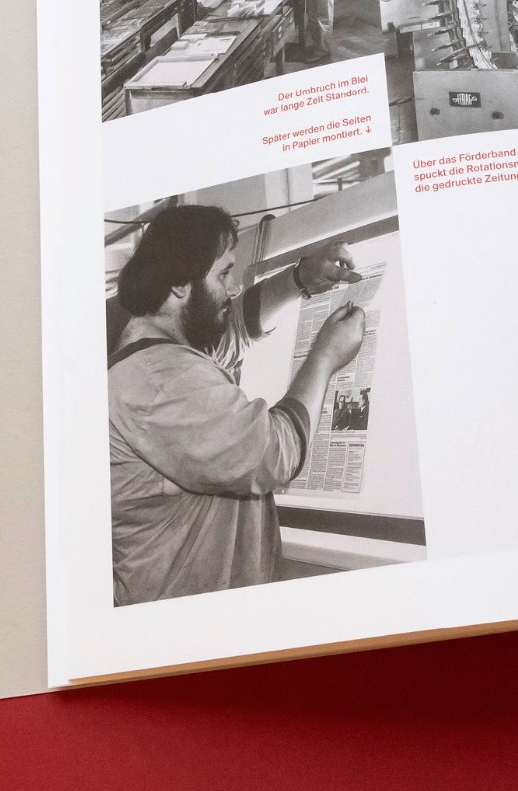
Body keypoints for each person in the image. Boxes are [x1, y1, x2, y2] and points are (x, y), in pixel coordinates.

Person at [106, 204, 366, 605]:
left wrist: (301, 279)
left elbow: (236, 327)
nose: (231, 289)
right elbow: (274, 452)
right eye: (223, 274)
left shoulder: (154, 352)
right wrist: (325, 357)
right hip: (186, 620)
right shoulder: (164, 380)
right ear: (180, 285)